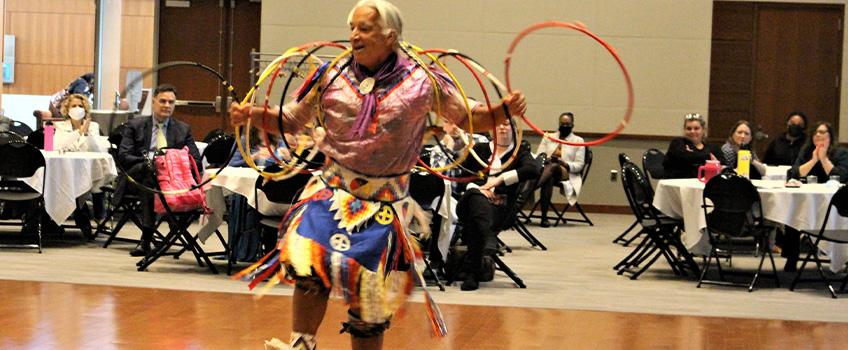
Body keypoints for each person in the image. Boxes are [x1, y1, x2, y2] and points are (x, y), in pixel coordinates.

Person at [228, 1, 526, 349]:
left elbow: (466, 117)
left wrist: (501, 111)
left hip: (384, 203)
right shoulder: (331, 74)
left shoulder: (423, 81)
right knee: (310, 270)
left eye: (364, 28)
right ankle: (301, 343)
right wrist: (253, 113)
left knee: (368, 296)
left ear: (390, 36)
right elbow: (292, 119)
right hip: (331, 192)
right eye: (352, 27)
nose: (354, 35)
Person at [116, 84, 202, 257]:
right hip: (136, 178)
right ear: (154, 102)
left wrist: (171, 165)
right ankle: (152, 235)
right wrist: (153, 162)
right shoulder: (135, 125)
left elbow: (196, 162)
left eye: (171, 102)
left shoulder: (183, 129)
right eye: (162, 101)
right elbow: (124, 157)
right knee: (150, 171)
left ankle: (150, 237)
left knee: (155, 177)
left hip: (170, 181)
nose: (167, 105)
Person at [455, 119, 540, 291]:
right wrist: (480, 190)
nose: (502, 127)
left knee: (477, 221)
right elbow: (462, 179)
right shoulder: (479, 150)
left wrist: (502, 178)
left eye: (507, 124)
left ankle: (473, 272)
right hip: (468, 204)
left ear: (515, 130)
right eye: (498, 124)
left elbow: (534, 169)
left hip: (498, 210)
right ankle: (488, 239)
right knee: (476, 198)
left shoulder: (520, 153)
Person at [783, 121, 848, 271]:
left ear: (830, 136)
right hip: (809, 201)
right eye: (815, 133)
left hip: (833, 203)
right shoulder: (806, 151)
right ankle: (791, 258)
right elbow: (793, 174)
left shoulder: (841, 153)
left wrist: (824, 159)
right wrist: (813, 160)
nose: (818, 135)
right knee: (792, 212)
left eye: (822, 132)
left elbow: (842, 177)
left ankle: (839, 258)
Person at [227, 126, 291, 262]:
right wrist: (253, 157)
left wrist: (289, 159)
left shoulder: (279, 142)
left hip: (275, 193)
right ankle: (246, 247)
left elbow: (291, 167)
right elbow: (232, 165)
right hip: (251, 189)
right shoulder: (244, 141)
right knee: (243, 197)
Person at [55, 94, 111, 235]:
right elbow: (57, 145)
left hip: (88, 169)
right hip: (67, 168)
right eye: (74, 106)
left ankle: (99, 214)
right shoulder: (61, 126)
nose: (77, 109)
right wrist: (78, 132)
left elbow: (97, 149)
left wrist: (87, 134)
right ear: (67, 109)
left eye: (80, 106)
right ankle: (83, 220)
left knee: (98, 172)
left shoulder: (93, 126)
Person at [534, 112, 585, 227]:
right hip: (548, 170)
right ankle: (544, 218)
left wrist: (565, 164)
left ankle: (530, 188)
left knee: (555, 166)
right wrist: (546, 158)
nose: (564, 126)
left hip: (566, 172)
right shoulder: (548, 137)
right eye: (562, 124)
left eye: (567, 124)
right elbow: (539, 155)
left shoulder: (578, 141)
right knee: (549, 177)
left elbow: (579, 165)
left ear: (572, 125)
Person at [663, 113, 726, 178]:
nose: (692, 131)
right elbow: (686, 157)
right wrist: (709, 157)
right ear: (684, 130)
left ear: (703, 129)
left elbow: (723, 165)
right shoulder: (677, 143)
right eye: (689, 128)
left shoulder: (714, 149)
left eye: (696, 128)